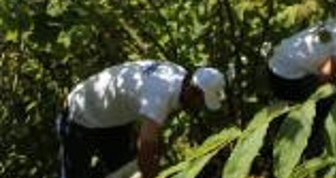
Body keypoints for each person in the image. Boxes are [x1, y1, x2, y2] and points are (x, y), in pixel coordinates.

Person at [57, 61, 226, 178]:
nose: (200, 106)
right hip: (80, 112)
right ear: (193, 91)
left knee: (123, 169)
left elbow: (153, 131)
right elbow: (145, 150)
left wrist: (157, 151)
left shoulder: (178, 74)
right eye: (201, 101)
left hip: (111, 117)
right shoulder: (160, 95)